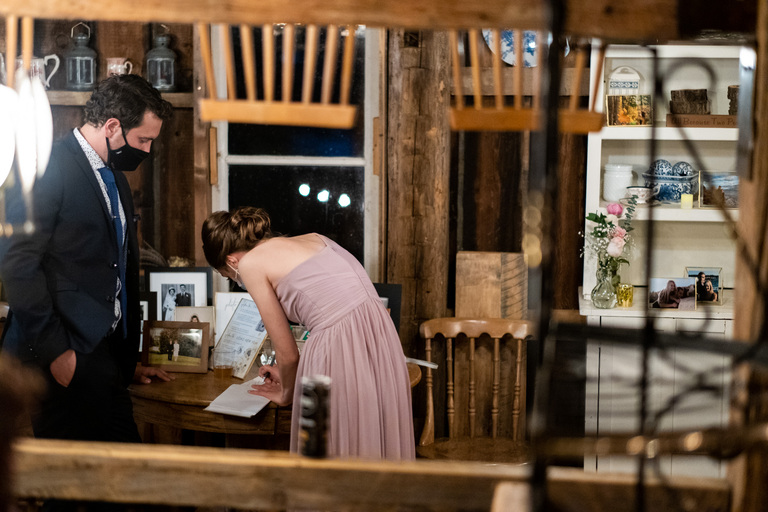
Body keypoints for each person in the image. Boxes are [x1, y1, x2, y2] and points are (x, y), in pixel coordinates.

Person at [0, 74, 175, 450]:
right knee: (72, 492)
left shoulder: (117, 178)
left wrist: (124, 362)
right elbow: (17, 263)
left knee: (126, 481)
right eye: (143, 139)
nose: (146, 150)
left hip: (105, 359)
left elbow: (112, 270)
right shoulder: (46, 165)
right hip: (60, 356)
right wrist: (58, 354)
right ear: (112, 126)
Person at [202, 206, 415, 460]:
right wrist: (295, 374)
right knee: (370, 429)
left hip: (337, 341)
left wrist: (286, 392)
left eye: (228, 276)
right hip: (379, 332)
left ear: (231, 261)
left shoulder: (249, 264)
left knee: (329, 446)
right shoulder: (315, 238)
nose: (236, 280)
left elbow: (288, 353)